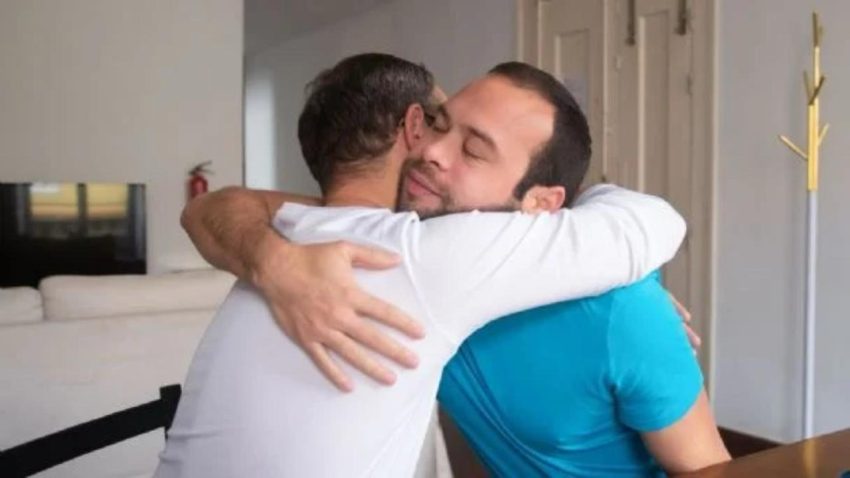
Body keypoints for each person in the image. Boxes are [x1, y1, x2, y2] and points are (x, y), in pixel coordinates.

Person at [162, 54, 721, 477]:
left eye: (473, 150)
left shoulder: (619, 309)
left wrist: (627, 284)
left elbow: (709, 467)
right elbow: (649, 223)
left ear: (542, 207)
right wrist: (274, 261)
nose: (429, 149)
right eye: (437, 124)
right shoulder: (399, 250)